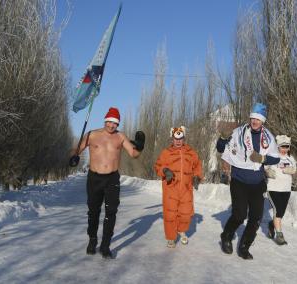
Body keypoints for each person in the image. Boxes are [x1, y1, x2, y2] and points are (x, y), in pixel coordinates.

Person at [69, 107, 145, 259]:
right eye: (110, 122)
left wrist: (140, 145)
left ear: (118, 124)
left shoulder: (120, 137)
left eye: (115, 123)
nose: (111, 126)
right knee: (93, 211)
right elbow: (76, 150)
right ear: (105, 120)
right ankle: (92, 239)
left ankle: (105, 245)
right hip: (94, 178)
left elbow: (133, 154)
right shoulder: (92, 134)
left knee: (111, 212)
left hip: (112, 179)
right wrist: (73, 157)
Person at [217, 103, 280, 260]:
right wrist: (222, 138)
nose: (254, 121)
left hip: (257, 182)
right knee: (239, 215)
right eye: (252, 118)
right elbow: (221, 148)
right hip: (239, 180)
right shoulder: (238, 133)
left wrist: (263, 158)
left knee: (256, 217)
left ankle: (244, 246)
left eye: (258, 119)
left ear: (262, 121)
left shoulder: (268, 137)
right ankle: (226, 236)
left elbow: (276, 157)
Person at [154, 126, 203, 248]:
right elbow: (157, 166)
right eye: (176, 139)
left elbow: (197, 166)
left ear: (184, 138)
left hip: (186, 188)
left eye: (180, 138)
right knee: (170, 215)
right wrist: (165, 170)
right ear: (172, 139)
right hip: (171, 188)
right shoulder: (166, 153)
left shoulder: (191, 153)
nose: (178, 141)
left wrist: (197, 177)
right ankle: (171, 238)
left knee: (186, 214)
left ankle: (181, 230)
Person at [265, 135, 297, 245]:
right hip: (273, 188)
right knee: (278, 210)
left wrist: (291, 170)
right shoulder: (272, 157)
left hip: (286, 189)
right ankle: (279, 235)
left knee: (281, 213)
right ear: (278, 147)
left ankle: (272, 224)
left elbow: (294, 169)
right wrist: (268, 172)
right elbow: (265, 167)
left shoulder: (290, 158)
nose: (284, 149)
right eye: (282, 147)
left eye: (287, 147)